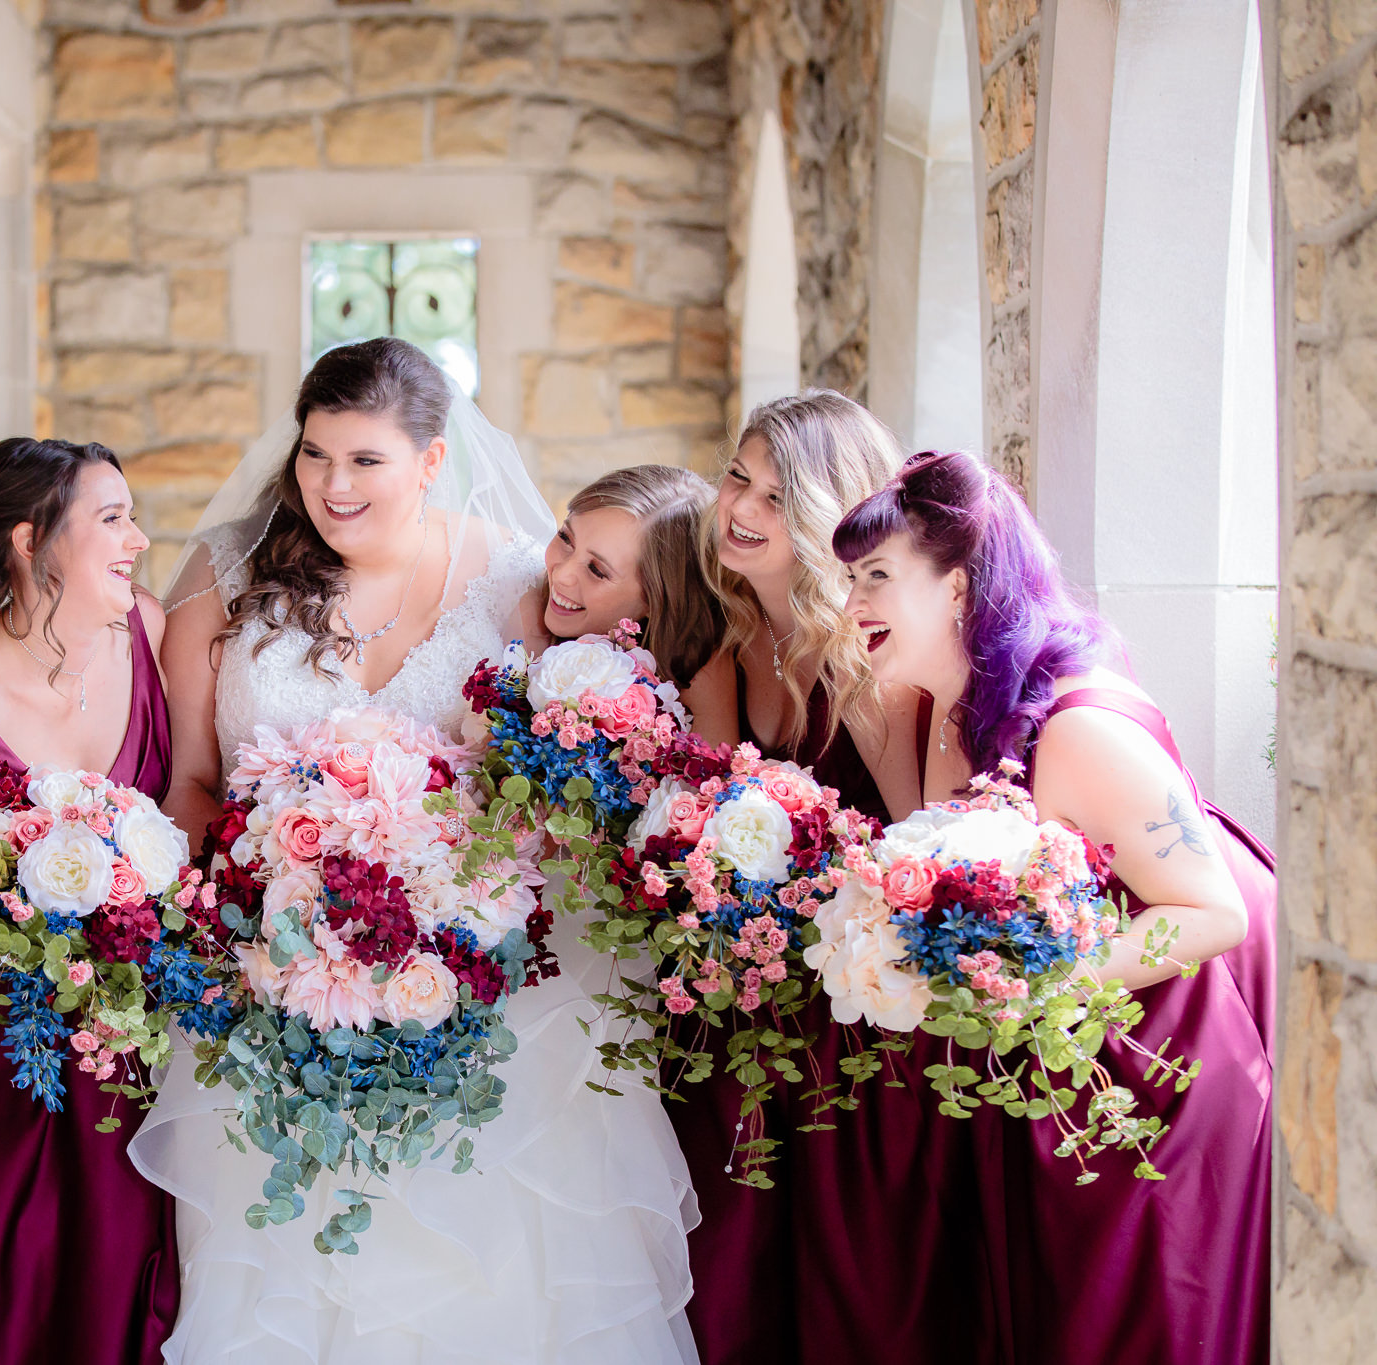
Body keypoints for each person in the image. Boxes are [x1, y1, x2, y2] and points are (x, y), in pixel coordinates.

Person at [135, 337, 699, 1364]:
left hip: (484, 998)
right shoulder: (222, 572)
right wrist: (259, 921)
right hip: (276, 981)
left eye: (365, 461)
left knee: (480, 1282)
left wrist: (450, 914)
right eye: (315, 455)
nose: (331, 485)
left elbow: (556, 782)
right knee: (292, 1275)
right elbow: (192, 785)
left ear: (433, 461)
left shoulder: (523, 583)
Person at [834, 449, 1273, 1365]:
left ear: (957, 588)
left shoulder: (1075, 729)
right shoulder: (944, 712)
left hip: (1157, 1069)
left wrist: (1034, 987)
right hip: (1051, 1071)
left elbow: (1211, 909)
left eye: (876, 577)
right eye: (850, 580)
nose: (853, 604)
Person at [0, 437, 178, 1365]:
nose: (137, 536)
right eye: (111, 518)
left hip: (146, 1033)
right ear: (31, 539)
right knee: (6, 1294)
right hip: (2, 1059)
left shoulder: (151, 629)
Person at [671, 390, 934, 1365]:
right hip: (762, 971)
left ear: (828, 511)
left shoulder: (856, 652)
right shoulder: (736, 634)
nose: (740, 508)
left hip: (861, 984)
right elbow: (708, 808)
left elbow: (916, 837)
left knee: (844, 1246)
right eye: (738, 478)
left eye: (777, 497)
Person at [525, 465, 724, 685]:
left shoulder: (698, 673)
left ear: (655, 599)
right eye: (565, 538)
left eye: (597, 570)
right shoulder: (522, 602)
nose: (562, 575)